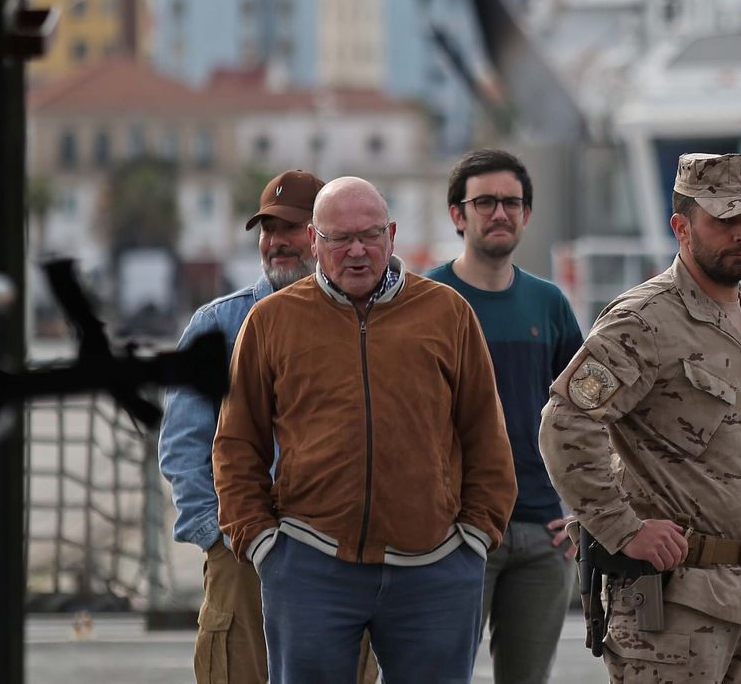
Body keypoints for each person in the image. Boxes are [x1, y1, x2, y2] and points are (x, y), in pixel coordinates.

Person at [214, 176, 517, 684]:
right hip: (309, 567)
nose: (357, 251)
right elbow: (236, 443)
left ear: (392, 235)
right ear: (314, 241)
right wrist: (262, 541)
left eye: (370, 235)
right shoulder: (270, 321)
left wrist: (475, 537)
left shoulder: (447, 313)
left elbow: (485, 431)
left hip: (436, 568)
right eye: (339, 239)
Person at [540, 153, 741, 684]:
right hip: (672, 608)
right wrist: (621, 529)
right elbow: (565, 423)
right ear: (681, 227)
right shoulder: (644, 320)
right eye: (724, 221)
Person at [159, 169, 383, 684]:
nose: (277, 243)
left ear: (319, 234)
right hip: (244, 553)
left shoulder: (372, 324)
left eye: (290, 228)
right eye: (267, 230)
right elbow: (183, 445)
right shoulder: (217, 325)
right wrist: (220, 539)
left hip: (344, 556)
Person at [425, 149, 583, 684]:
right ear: (457, 214)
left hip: (544, 536)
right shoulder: (425, 301)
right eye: (485, 201)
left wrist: (582, 510)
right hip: (453, 534)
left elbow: (587, 417)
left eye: (511, 203)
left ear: (526, 215)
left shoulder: (549, 305)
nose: (499, 213)